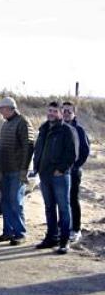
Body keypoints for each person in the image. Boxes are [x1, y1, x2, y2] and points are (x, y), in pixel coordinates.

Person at [34, 101, 76, 254]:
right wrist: (37, 167)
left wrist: (61, 169)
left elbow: (72, 154)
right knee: (49, 208)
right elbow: (38, 149)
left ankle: (64, 241)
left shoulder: (67, 130)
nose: (51, 113)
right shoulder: (44, 128)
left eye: (54, 111)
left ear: (60, 113)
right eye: (49, 110)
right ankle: (51, 237)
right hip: (44, 175)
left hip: (59, 176)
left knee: (64, 208)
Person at [0, 97, 35, 246]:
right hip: (6, 170)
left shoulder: (23, 122)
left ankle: (20, 232)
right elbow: (2, 148)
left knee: (15, 202)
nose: (0, 112)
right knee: (6, 202)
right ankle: (8, 231)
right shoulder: (6, 124)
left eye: (2, 109)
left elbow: (28, 146)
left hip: (18, 170)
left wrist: (24, 169)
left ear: (10, 108)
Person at [62, 101, 90, 242]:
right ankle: (64, 227)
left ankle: (76, 229)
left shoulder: (79, 130)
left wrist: (75, 166)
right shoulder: (58, 128)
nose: (66, 113)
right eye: (64, 110)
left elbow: (85, 151)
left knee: (73, 199)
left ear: (74, 114)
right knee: (61, 200)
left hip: (73, 172)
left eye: (69, 111)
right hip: (59, 172)